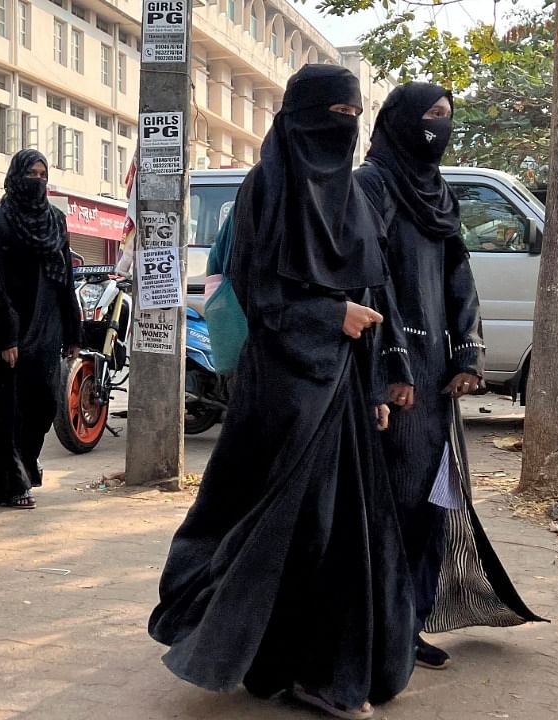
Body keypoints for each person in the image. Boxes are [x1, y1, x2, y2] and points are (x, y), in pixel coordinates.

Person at [148, 64, 416, 720]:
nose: (343, 127)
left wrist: (377, 380)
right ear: (298, 117)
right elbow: (258, 291)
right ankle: (293, 667)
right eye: (333, 113)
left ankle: (319, 667)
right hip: (281, 394)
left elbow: (372, 291)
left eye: (354, 115)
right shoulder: (264, 188)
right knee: (289, 528)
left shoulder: (354, 198)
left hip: (342, 391)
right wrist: (332, 317)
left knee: (343, 532)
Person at [356, 82, 542, 670]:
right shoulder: (372, 186)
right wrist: (391, 367)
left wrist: (468, 356)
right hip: (396, 375)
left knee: (432, 507)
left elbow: (459, 277)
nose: (441, 126)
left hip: (436, 380)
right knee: (391, 507)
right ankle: (378, 631)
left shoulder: (436, 194)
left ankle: (410, 622)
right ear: (399, 122)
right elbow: (369, 280)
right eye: (430, 116)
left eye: (447, 117)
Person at [0, 149, 82, 509]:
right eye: (31, 174)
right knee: (8, 408)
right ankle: (10, 483)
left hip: (48, 323)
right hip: (11, 326)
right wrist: (5, 334)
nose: (38, 181)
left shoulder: (55, 219)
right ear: (16, 175)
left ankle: (26, 461)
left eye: (43, 174)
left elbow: (65, 276)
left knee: (43, 402)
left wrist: (73, 332)